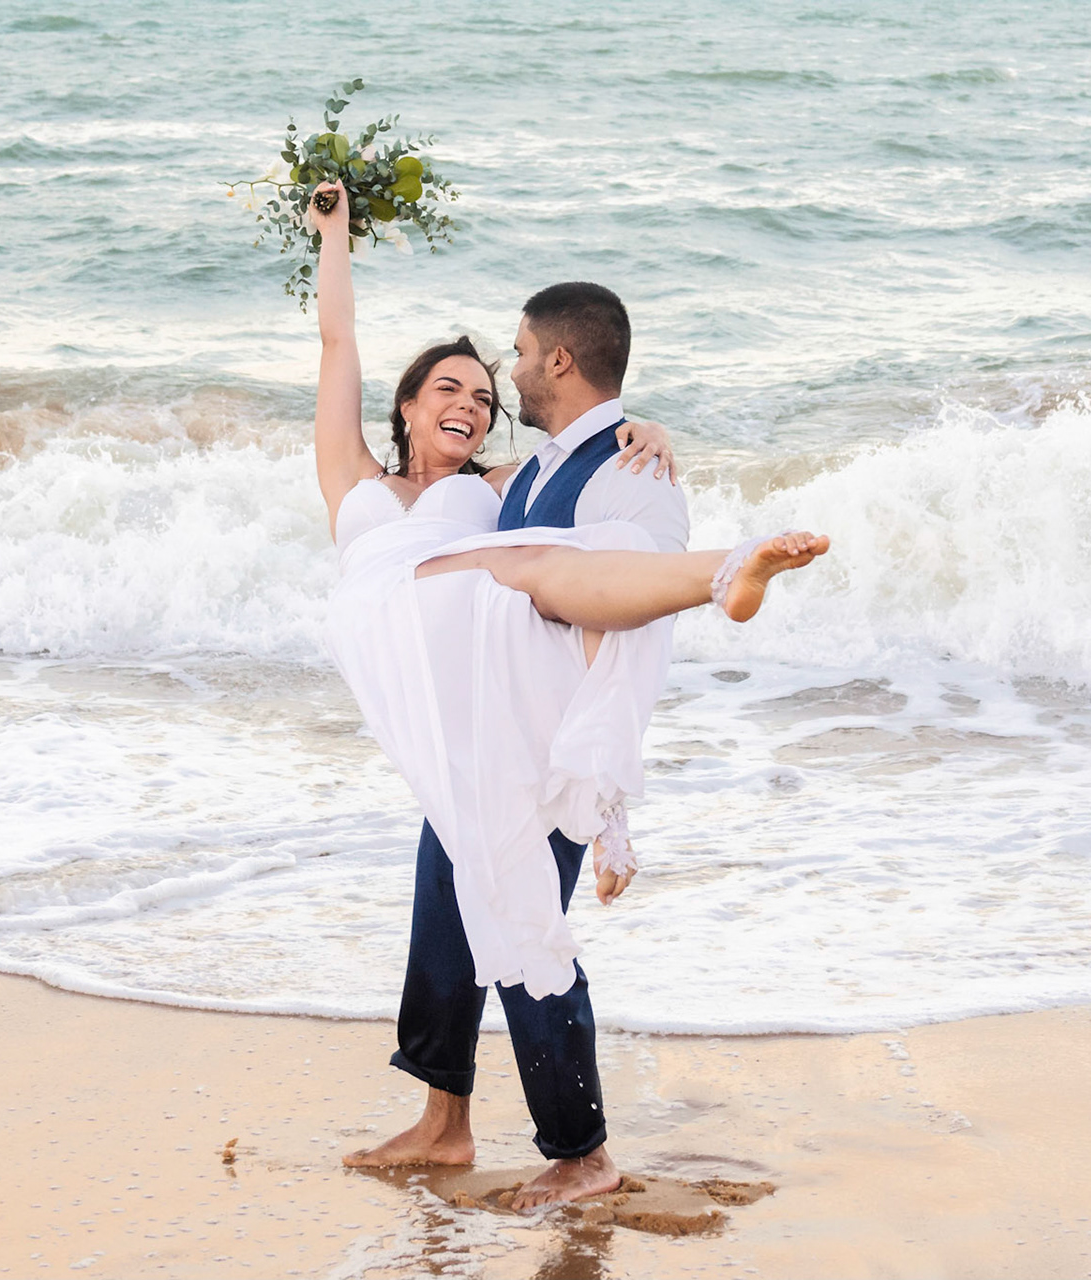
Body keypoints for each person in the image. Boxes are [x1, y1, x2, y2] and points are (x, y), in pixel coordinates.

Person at [303, 181, 829, 1209]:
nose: (470, 398)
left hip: (518, 730)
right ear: (407, 404)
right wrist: (334, 236)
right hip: (444, 723)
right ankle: (444, 1124)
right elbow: (335, 346)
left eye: (485, 387)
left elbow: (604, 515)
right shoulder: (374, 483)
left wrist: (652, 425)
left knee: (517, 916)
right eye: (447, 387)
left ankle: (580, 1150)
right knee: (445, 924)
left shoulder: (505, 487)